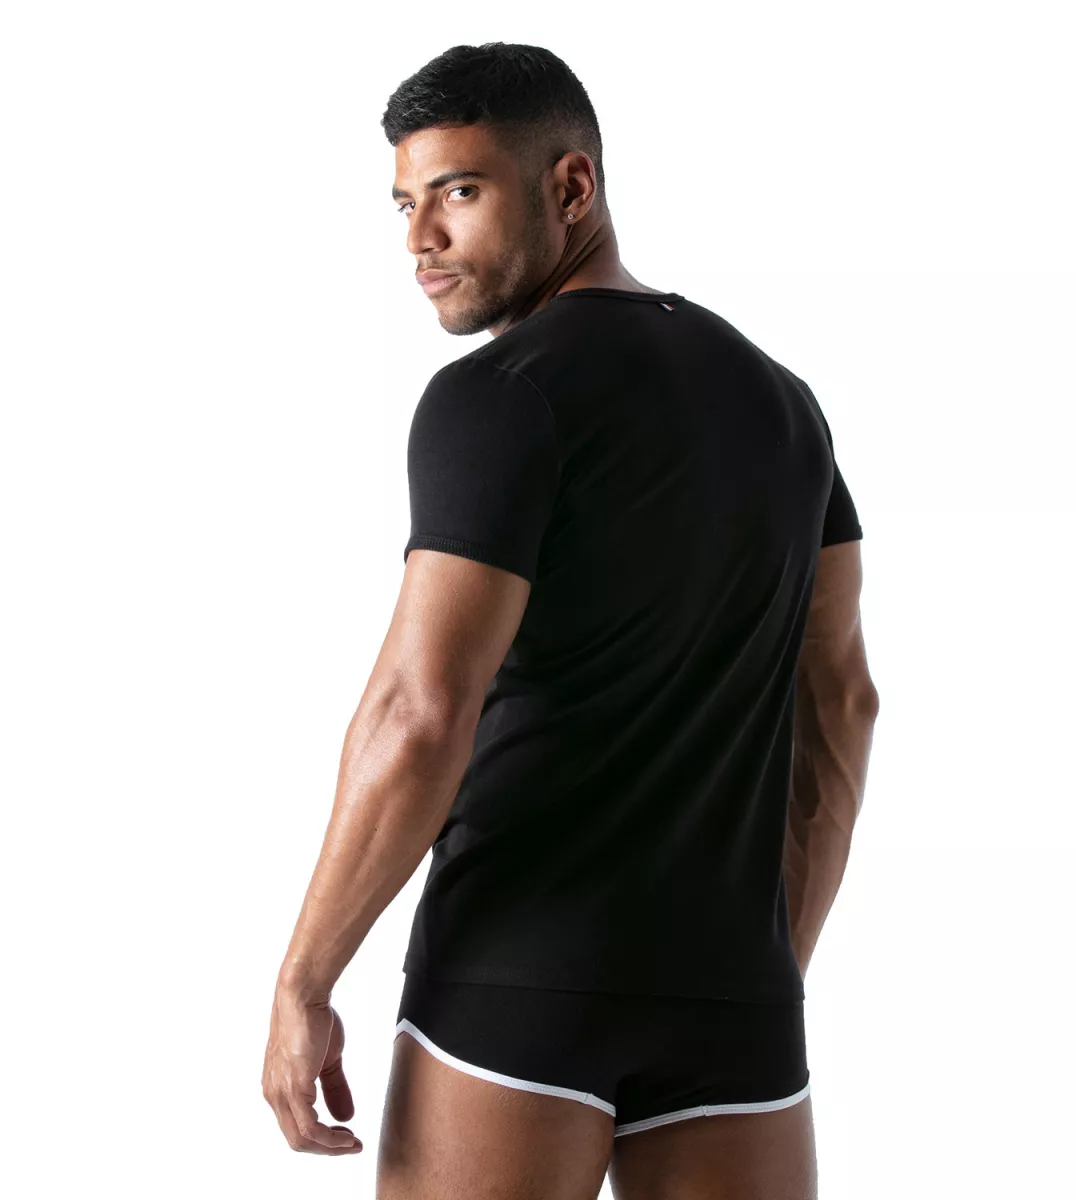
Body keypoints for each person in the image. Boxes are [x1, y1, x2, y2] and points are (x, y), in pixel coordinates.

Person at [261, 41, 879, 1200]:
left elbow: (419, 710)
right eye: (403, 202)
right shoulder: (785, 405)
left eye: (458, 191)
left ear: (571, 186)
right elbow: (843, 700)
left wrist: (304, 979)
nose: (419, 238)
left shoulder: (501, 396)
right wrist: (767, 963)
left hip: (519, 977)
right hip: (733, 997)